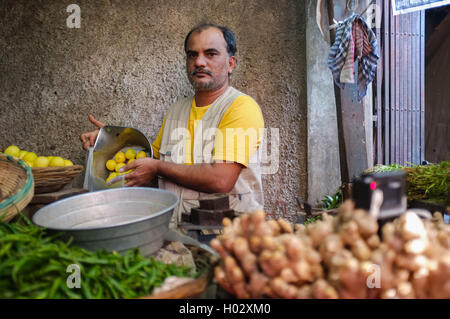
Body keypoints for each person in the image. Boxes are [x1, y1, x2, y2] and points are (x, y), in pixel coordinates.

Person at [80, 23, 265, 227]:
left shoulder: (240, 107)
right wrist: (109, 139)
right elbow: (150, 159)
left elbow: (220, 180)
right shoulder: (177, 110)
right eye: (192, 55)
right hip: (178, 232)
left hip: (229, 238)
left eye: (210, 54)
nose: (199, 62)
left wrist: (158, 167)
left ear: (231, 64)